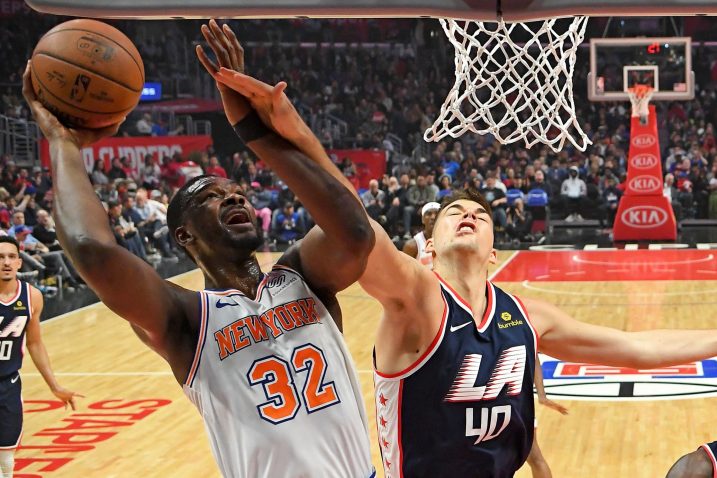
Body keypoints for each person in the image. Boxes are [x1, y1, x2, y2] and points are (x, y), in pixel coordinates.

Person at [216, 61, 717, 478]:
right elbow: (354, 223)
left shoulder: (525, 316)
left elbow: (638, 348)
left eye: (480, 214)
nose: (469, 214)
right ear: (428, 245)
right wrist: (285, 129)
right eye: (455, 212)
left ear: (495, 252)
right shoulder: (415, 297)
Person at [23, 20, 374, 478]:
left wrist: (253, 129)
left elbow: (356, 233)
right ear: (184, 236)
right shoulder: (185, 319)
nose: (234, 197)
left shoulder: (302, 279)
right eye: (210, 197)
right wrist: (63, 143)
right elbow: (92, 250)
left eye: (238, 192)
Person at [0, 236, 81, 478]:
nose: (6, 262)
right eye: (0, 257)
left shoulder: (31, 296)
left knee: (6, 459)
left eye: (11, 256)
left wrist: (54, 386)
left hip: (8, 384)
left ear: (19, 262)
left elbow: (34, 343)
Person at [402, 201, 439, 268]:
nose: (433, 217)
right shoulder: (412, 245)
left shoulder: (451, 241)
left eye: (436, 214)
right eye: (429, 214)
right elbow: (404, 273)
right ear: (423, 219)